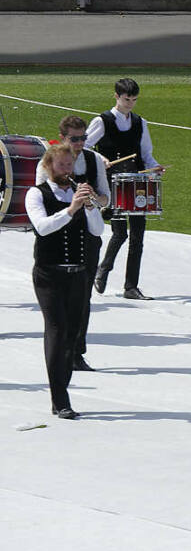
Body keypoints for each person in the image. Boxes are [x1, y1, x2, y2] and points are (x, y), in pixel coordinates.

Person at [25, 141, 104, 419]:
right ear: (48, 167)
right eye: (61, 165)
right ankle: (60, 400)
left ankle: (62, 390)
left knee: (71, 336)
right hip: (49, 274)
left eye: (69, 165)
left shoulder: (78, 193)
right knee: (57, 332)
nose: (66, 170)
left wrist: (91, 206)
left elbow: (97, 231)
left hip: (77, 274)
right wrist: (71, 209)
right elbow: (43, 228)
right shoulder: (37, 194)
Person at [87, 77, 162, 300]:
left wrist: (154, 167)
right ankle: (103, 269)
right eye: (126, 99)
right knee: (120, 233)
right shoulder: (102, 121)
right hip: (112, 182)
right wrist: (102, 159)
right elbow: (87, 147)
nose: (130, 104)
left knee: (138, 236)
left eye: (134, 100)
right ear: (116, 96)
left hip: (136, 183)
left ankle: (131, 286)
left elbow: (146, 154)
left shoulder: (140, 122)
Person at [47, 116, 109, 372]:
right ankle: (59, 349)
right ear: (63, 138)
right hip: (59, 236)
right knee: (58, 298)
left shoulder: (94, 160)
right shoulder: (51, 161)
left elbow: (106, 200)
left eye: (84, 138)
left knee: (82, 296)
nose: (81, 143)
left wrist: (93, 197)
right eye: (75, 139)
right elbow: (44, 196)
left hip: (87, 236)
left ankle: (76, 352)